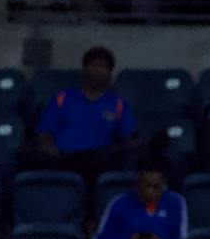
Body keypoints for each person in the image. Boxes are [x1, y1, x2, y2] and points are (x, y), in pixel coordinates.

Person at [33, 46, 136, 178]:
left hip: (101, 165)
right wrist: (51, 151)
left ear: (110, 72)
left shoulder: (119, 104)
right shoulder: (62, 98)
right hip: (64, 161)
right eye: (93, 65)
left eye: (103, 66)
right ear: (85, 69)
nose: (98, 70)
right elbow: (44, 135)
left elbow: (128, 140)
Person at [94, 146, 186, 239]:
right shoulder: (119, 203)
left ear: (164, 184)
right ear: (138, 182)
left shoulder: (176, 203)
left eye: (156, 187)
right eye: (146, 186)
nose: (150, 192)